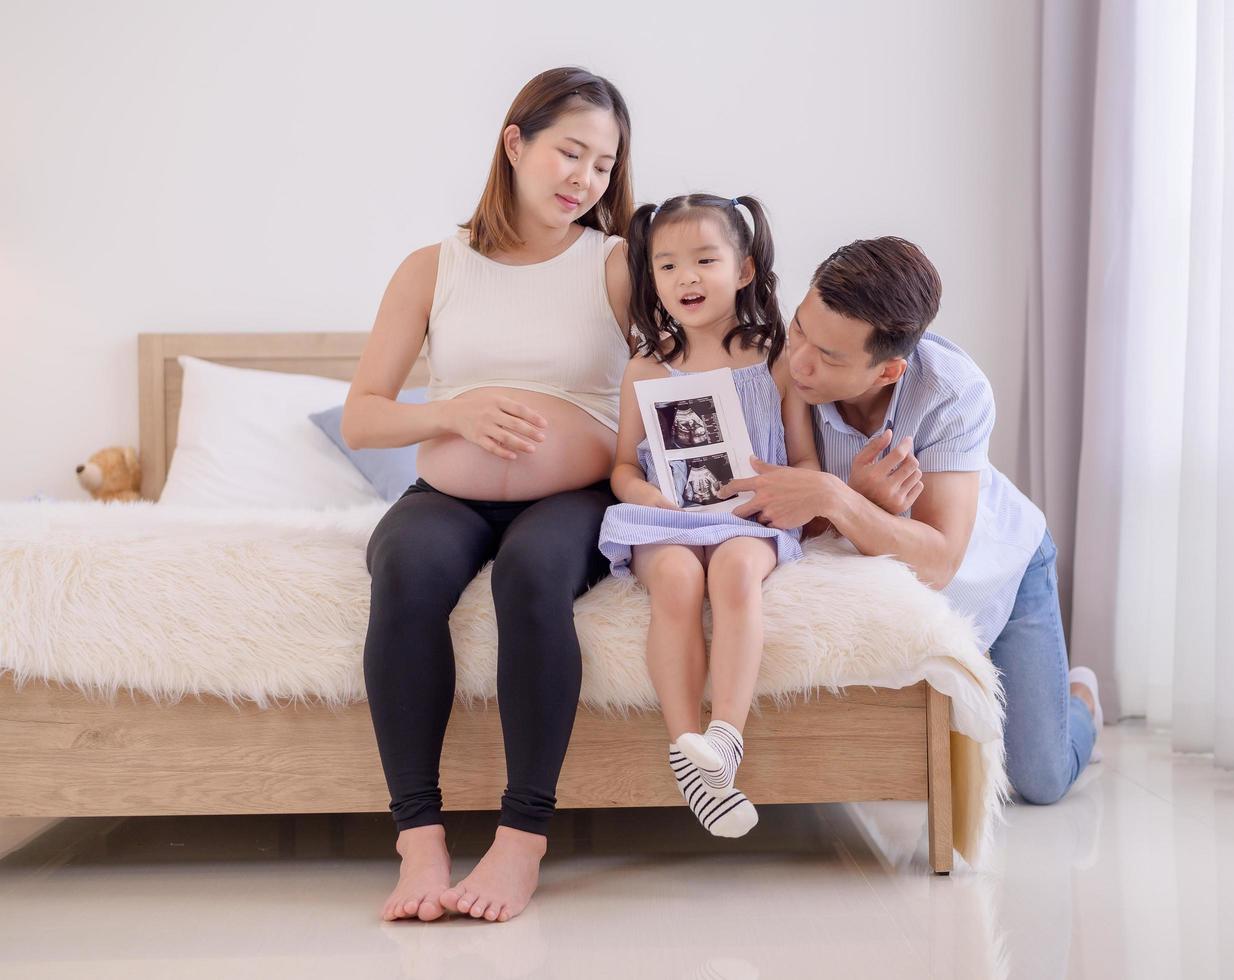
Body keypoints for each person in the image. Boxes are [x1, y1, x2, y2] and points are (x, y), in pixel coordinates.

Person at [340, 67, 635, 923]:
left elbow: (667, 384)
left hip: (572, 497)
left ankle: (520, 841)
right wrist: (455, 412)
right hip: (448, 491)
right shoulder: (433, 268)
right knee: (403, 571)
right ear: (515, 144)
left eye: (604, 164)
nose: (584, 178)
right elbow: (362, 418)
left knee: (531, 576)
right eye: (568, 152)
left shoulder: (615, 265)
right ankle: (418, 840)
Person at [720, 237, 1103, 807]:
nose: (799, 359)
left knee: (1040, 780)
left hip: (998, 564)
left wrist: (838, 498)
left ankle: (1080, 700)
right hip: (899, 567)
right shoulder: (785, 369)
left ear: (888, 370)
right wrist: (854, 500)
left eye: (830, 356)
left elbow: (941, 560)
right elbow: (783, 520)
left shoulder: (953, 391)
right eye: (801, 328)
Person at [598, 193, 820, 838]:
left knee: (732, 574)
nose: (685, 278)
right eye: (666, 267)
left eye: (704, 260)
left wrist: (773, 492)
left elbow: (804, 460)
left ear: (744, 270)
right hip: (667, 516)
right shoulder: (645, 365)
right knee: (675, 581)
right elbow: (621, 467)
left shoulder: (773, 357)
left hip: (750, 516)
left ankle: (724, 736)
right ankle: (686, 749)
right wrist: (647, 498)